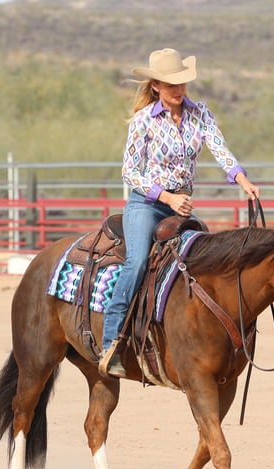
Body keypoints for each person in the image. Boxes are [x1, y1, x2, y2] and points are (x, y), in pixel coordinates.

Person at [99, 48, 260, 378]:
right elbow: (130, 172)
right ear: (156, 85)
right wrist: (168, 198)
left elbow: (219, 148)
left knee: (202, 264)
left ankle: (187, 338)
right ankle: (112, 340)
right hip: (147, 204)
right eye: (171, 84)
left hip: (181, 207)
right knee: (138, 260)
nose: (179, 89)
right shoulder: (144, 120)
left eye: (182, 82)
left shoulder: (200, 114)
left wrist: (241, 178)